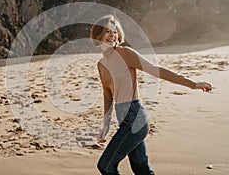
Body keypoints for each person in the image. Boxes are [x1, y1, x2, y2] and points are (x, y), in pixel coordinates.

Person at [90, 14, 212, 175]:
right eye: (107, 31)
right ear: (98, 35)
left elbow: (156, 70)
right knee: (142, 170)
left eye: (115, 31)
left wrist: (193, 84)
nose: (112, 35)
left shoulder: (126, 53)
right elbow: (107, 95)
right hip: (123, 118)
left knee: (105, 166)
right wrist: (106, 124)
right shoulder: (101, 64)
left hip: (135, 117)